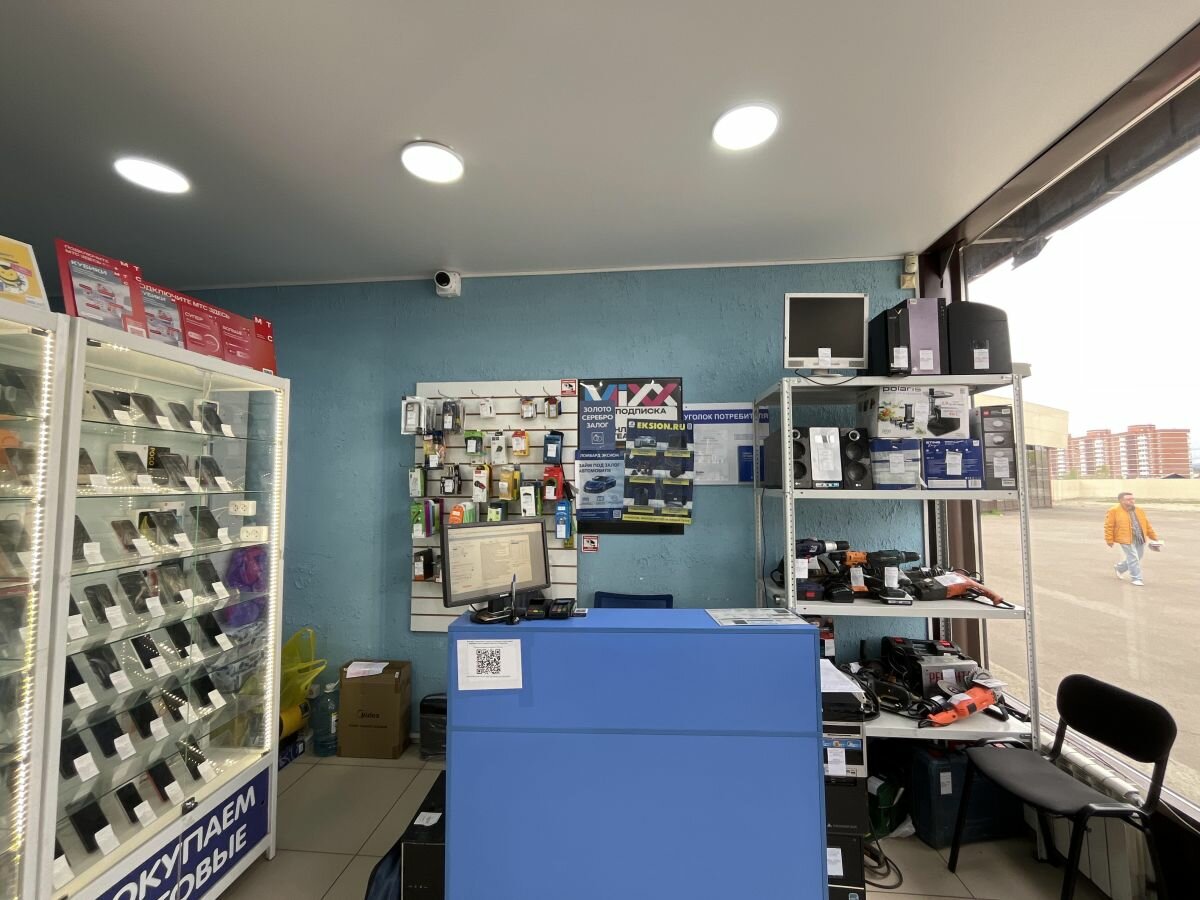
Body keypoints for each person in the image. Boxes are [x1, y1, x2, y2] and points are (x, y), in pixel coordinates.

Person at [1104, 492, 1160, 587]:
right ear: (1121, 501)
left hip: (1139, 537)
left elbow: (1146, 525)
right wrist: (1109, 539)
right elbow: (1109, 526)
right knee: (1133, 557)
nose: (1131, 501)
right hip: (1125, 538)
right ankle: (1136, 578)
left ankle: (1120, 568)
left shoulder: (1139, 510)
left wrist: (1153, 537)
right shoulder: (1114, 510)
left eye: (1132, 499)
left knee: (1138, 557)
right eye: (1128, 499)